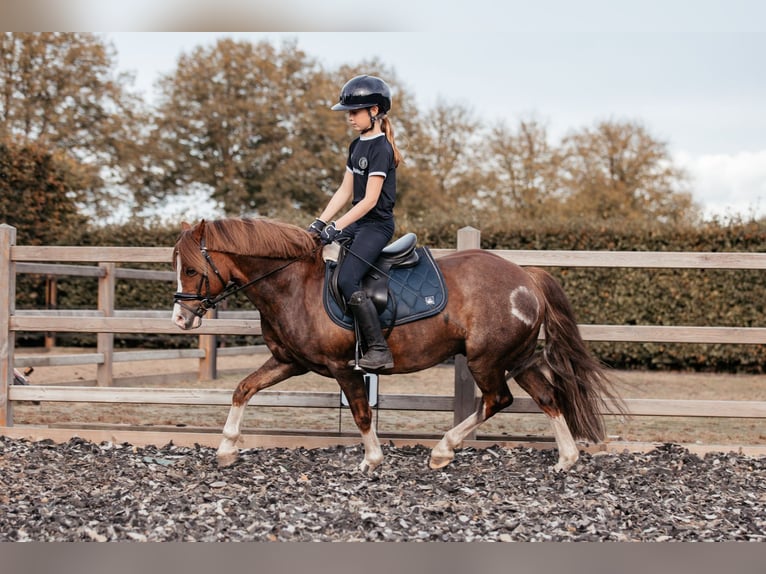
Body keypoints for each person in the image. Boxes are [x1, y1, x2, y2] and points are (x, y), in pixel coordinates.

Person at [308, 75, 403, 371]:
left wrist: (337, 227)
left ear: (374, 111)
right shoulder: (356, 146)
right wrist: (319, 223)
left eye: (354, 112)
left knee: (348, 279)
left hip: (376, 226)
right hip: (357, 223)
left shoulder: (381, 150)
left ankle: (378, 350)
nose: (349, 117)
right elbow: (345, 190)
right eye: (348, 112)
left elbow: (370, 200)